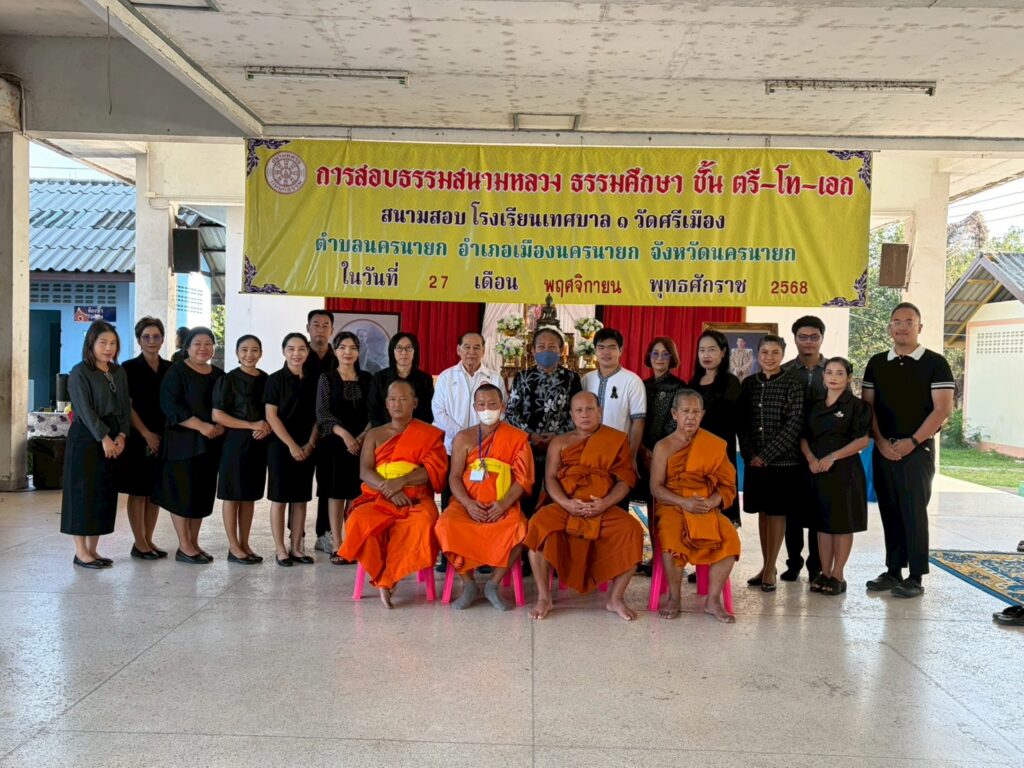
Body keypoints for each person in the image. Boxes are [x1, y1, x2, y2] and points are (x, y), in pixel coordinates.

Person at [861, 303, 954, 598]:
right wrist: (880, 441)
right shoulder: (877, 363)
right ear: (890, 327)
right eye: (897, 321)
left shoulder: (935, 363)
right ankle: (893, 571)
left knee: (913, 511)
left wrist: (912, 442)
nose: (902, 327)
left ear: (919, 327)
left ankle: (915, 576)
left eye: (909, 322)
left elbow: (942, 409)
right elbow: (868, 407)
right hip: (883, 448)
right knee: (889, 509)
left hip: (918, 449)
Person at [524, 392, 643, 621]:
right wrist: (565, 503)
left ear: (600, 411)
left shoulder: (616, 439)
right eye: (579, 410)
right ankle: (544, 597)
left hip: (602, 506)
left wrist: (605, 503)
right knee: (537, 526)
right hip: (566, 504)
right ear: (571, 415)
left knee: (633, 531)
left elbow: (625, 481)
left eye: (590, 409)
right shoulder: (560, 442)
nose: (585, 415)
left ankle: (616, 598)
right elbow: (550, 479)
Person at [339, 379, 448, 608]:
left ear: (415, 403)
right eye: (392, 399)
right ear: (386, 404)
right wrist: (389, 490)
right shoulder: (374, 434)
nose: (397, 404)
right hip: (378, 496)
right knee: (359, 521)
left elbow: (432, 470)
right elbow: (365, 471)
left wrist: (402, 481)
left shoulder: (428, 434)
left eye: (403, 399)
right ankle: (383, 576)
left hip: (416, 498)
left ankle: (389, 578)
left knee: (422, 523)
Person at [435, 384, 533, 611]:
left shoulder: (517, 438)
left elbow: (524, 479)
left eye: (492, 404)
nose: (487, 409)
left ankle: (493, 584)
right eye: (481, 405)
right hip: (466, 503)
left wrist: (503, 504)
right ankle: (468, 583)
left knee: (521, 529)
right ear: (474, 407)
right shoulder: (463, 438)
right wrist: (468, 504)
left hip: (503, 504)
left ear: (503, 406)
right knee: (445, 526)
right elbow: (454, 477)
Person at [650, 389, 741, 623]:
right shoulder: (663, 446)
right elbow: (656, 488)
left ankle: (713, 600)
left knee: (730, 537)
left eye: (695, 412)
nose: (690, 417)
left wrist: (711, 502)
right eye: (685, 411)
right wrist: (683, 502)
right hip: (672, 504)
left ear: (702, 414)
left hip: (703, 504)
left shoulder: (714, 444)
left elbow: (727, 485)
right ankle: (674, 597)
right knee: (670, 536)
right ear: (674, 414)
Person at [431, 331, 505, 570]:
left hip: (485, 451)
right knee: (451, 498)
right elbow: (439, 412)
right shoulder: (446, 377)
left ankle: (482, 553)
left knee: (482, 498)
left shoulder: (494, 378)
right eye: (467, 347)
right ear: (458, 349)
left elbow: (500, 412)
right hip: (452, 447)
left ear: (483, 350)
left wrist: (480, 439)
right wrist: (466, 437)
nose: (471, 352)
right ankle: (449, 554)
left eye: (477, 347)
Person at [736, 335, 804, 591]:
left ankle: (770, 569)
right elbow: (742, 422)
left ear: (783, 355)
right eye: (765, 352)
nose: (769, 357)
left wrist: (767, 455)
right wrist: (751, 453)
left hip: (782, 464)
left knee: (777, 514)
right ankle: (767, 566)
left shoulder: (793, 383)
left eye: (775, 352)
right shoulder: (749, 384)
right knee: (763, 513)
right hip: (754, 463)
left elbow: (794, 424)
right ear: (757, 355)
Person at [153, 327, 225, 564]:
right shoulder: (177, 371)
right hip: (182, 443)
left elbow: (226, 405)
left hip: (210, 444)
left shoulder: (218, 374)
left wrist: (220, 425)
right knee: (182, 495)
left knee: (201, 495)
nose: (203, 348)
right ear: (187, 347)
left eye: (208, 344)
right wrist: (201, 426)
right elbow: (169, 405)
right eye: (197, 344)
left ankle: (193, 542)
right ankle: (184, 545)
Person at [62, 320, 131, 568]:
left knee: (102, 493)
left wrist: (122, 435)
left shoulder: (118, 372)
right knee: (82, 493)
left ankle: (93, 550)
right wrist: (104, 438)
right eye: (103, 342)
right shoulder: (80, 372)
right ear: (91, 343)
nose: (108, 348)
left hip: (113, 436)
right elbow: (84, 409)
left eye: (113, 343)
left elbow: (125, 407)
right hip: (87, 437)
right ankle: (81, 552)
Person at [800, 357, 871, 596]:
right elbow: (803, 436)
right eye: (829, 372)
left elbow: (862, 440)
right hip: (817, 469)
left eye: (840, 373)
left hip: (844, 471)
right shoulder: (814, 405)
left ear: (849, 378)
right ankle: (825, 571)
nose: (833, 377)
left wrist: (832, 457)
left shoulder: (858, 406)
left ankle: (838, 575)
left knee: (841, 524)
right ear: (823, 376)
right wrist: (811, 459)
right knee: (822, 524)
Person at [505, 326, 581, 518]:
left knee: (558, 496)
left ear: (561, 350)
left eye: (552, 347)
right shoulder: (522, 377)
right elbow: (511, 412)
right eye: (541, 347)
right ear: (533, 350)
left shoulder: (571, 379)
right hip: (527, 446)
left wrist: (558, 436)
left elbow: (577, 413)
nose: (546, 351)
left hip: (561, 448)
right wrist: (530, 435)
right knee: (526, 495)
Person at [212, 335, 270, 565]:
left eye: (254, 350)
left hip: (258, 444)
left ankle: (245, 543)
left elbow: (272, 412)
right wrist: (251, 425)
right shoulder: (227, 380)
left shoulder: (266, 379)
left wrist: (265, 428)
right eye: (244, 350)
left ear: (261, 353)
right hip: (234, 444)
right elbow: (218, 415)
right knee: (232, 495)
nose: (249, 354)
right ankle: (233, 546)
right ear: (236, 353)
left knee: (249, 497)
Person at [316, 331, 373, 565]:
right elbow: (322, 414)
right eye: (342, 347)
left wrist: (361, 436)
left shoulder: (367, 378)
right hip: (334, 443)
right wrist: (346, 435)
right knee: (335, 493)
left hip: (363, 444)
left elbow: (374, 412)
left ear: (359, 351)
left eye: (353, 348)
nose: (347, 352)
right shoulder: (326, 378)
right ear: (335, 350)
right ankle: (337, 545)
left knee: (355, 494)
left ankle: (352, 541)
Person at [118, 316, 172, 559]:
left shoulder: (170, 368)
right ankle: (139, 543)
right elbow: (127, 407)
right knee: (138, 491)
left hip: (163, 437)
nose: (152, 341)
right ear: (139, 340)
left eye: (156, 336)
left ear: (163, 339)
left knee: (155, 491)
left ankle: (149, 540)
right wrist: (146, 433)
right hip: (139, 436)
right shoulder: (128, 368)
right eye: (146, 337)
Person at [780, 315, 828, 583]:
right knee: (793, 513)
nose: (808, 342)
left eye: (814, 337)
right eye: (803, 337)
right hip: (790, 452)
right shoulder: (785, 371)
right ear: (795, 339)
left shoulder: (832, 370)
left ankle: (816, 566)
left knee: (819, 510)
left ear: (821, 338)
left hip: (822, 452)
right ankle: (793, 563)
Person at [265, 332, 319, 566]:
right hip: (281, 446)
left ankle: (296, 547)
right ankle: (280, 549)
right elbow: (271, 416)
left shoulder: (315, 380)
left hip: (307, 446)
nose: (296, 354)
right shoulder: (275, 380)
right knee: (279, 498)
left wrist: (310, 444)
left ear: (307, 352)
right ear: (283, 351)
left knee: (300, 499)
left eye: (301, 349)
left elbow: (319, 416)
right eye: (291, 349)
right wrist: (292, 445)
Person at [689, 329, 742, 526]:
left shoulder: (731, 382)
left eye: (711, 349)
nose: (706, 355)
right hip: (694, 449)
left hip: (721, 450)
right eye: (702, 350)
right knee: (698, 501)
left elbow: (729, 417)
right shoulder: (693, 382)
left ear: (723, 352)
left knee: (721, 500)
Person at [303, 310, 340, 557]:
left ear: (332, 330)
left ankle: (324, 533)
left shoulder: (338, 358)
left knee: (328, 485)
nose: (320, 329)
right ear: (308, 328)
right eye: (315, 324)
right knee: (299, 485)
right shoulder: (299, 355)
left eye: (325, 325)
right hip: (301, 432)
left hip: (329, 432)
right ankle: (295, 534)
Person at [580, 327, 646, 461]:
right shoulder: (587, 379)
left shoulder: (632, 381)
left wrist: (631, 456)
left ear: (620, 351)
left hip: (619, 452)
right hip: (587, 449)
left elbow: (638, 421)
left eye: (612, 347)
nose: (606, 352)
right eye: (601, 347)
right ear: (595, 350)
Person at [366, 332, 434, 427]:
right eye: (399, 348)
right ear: (392, 351)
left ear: (415, 351)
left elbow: (428, 411)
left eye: (408, 348)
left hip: (416, 431)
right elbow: (373, 409)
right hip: (385, 431)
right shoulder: (379, 378)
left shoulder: (425, 379)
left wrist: (414, 431)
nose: (404, 352)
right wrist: (384, 430)